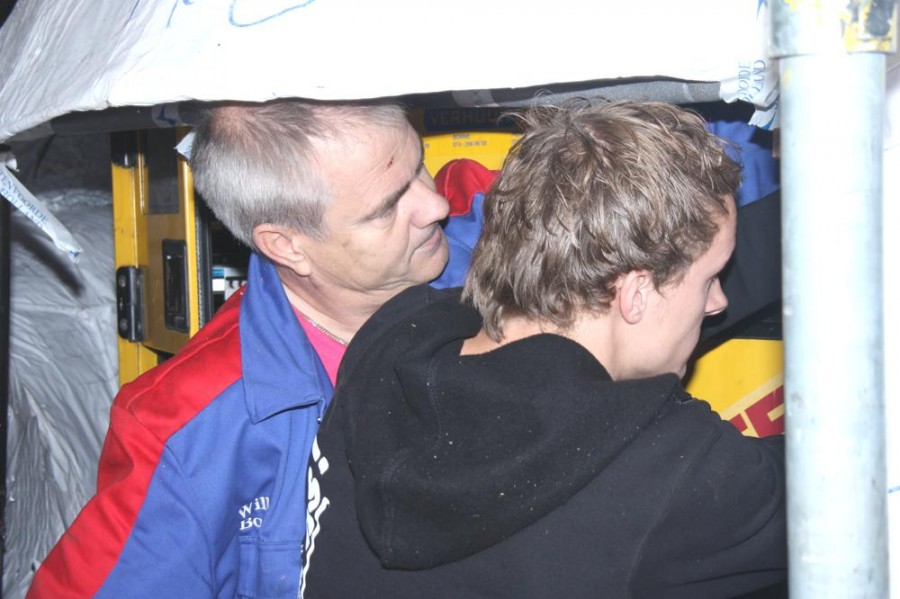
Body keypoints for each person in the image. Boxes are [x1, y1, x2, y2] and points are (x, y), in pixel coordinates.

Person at [301, 101, 787, 598]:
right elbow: (827, 494)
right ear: (636, 293)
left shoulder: (395, 338)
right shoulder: (672, 473)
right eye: (710, 279)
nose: (718, 302)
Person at [26, 99, 485, 599]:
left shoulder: (497, 235)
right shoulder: (183, 432)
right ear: (286, 245)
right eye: (387, 207)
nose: (434, 205)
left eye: (419, 165)